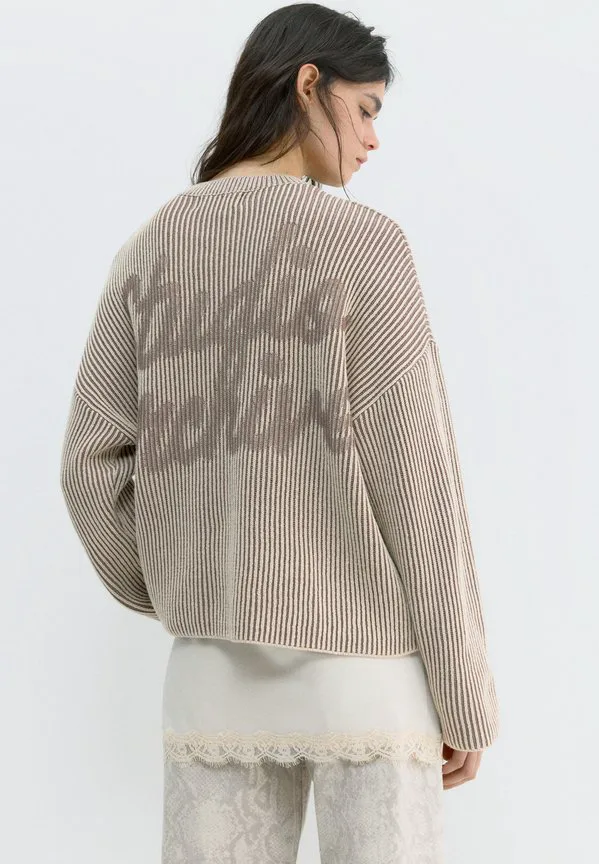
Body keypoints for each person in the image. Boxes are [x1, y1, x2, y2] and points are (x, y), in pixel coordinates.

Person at [59, 4, 500, 862]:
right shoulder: (365, 247)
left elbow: (89, 466)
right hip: (366, 678)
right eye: (365, 108)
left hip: (212, 676)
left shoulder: (149, 249)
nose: (373, 138)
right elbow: (419, 487)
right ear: (308, 84)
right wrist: (466, 696)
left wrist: (181, 585)